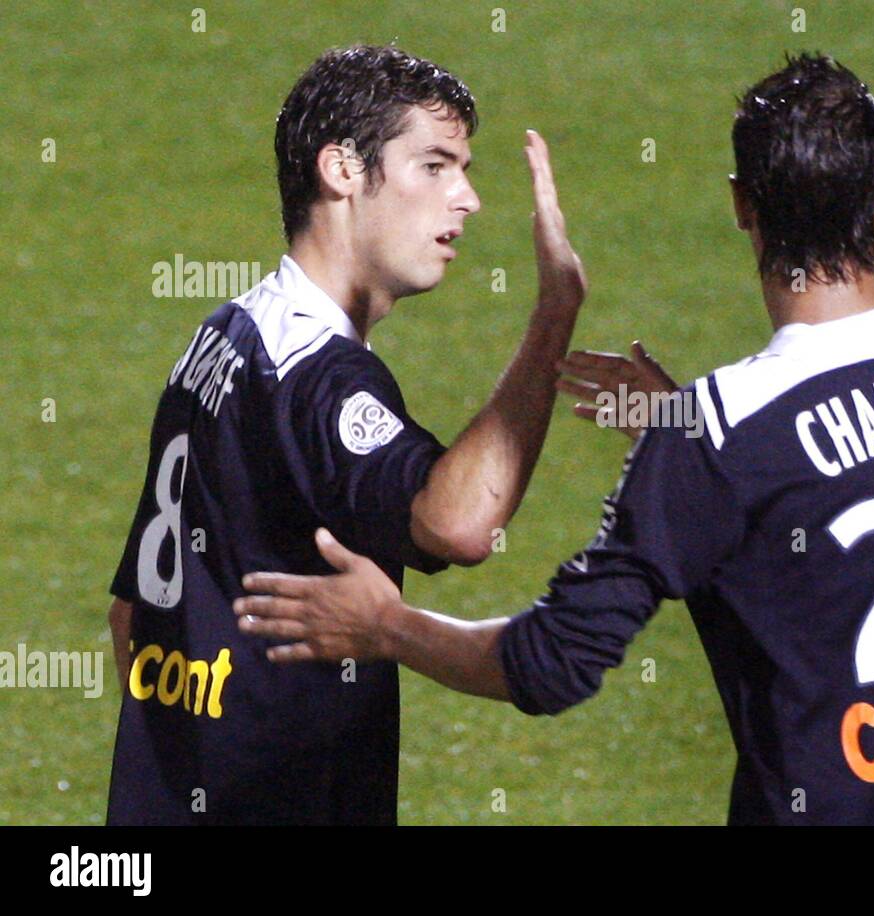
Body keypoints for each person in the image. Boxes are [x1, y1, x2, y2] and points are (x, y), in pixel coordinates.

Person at [235, 53, 874, 825]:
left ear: (743, 203)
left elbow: (551, 663)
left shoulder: (721, 433)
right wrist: (710, 453)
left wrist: (387, 627)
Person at [105, 44, 587, 824]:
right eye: (434, 165)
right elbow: (457, 523)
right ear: (342, 170)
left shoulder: (226, 333)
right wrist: (555, 315)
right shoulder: (319, 379)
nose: (467, 199)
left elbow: (132, 615)